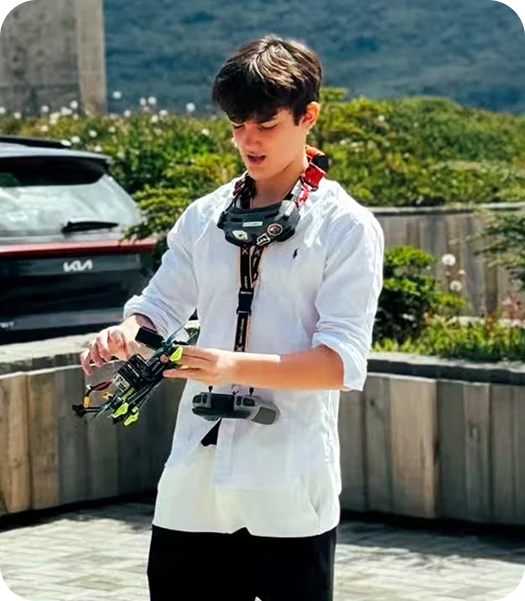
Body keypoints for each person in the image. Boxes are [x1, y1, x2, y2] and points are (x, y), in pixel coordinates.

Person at [80, 34, 384, 601]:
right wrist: (126, 334)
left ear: (308, 117)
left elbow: (340, 364)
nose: (249, 139)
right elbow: (158, 307)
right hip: (196, 476)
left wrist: (229, 366)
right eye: (238, 124)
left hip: (288, 474)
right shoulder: (204, 216)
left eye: (266, 124)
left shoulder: (347, 226)